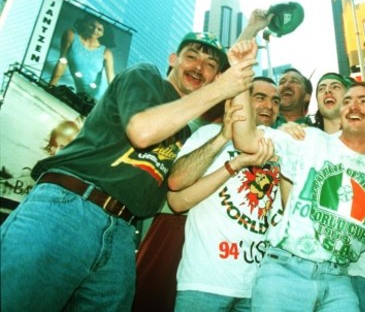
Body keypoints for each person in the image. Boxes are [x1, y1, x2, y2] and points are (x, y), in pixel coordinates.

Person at [0, 33, 257, 311]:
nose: (198, 67)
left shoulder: (183, 131)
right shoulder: (145, 76)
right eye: (191, 56)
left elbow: (177, 186)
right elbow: (142, 131)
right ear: (173, 59)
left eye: (210, 64)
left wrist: (222, 136)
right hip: (68, 208)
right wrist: (221, 90)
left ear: (216, 75)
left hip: (123, 232)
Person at [229, 40, 365, 311]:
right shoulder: (305, 139)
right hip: (286, 269)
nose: (353, 106)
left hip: (340, 278)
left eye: (361, 100)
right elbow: (246, 139)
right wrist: (240, 73)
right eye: (324, 89)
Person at [167, 76, 281, 311]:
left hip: (259, 290)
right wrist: (229, 151)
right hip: (205, 283)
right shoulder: (209, 134)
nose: (269, 106)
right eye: (260, 97)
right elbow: (176, 198)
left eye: (275, 101)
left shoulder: (282, 149)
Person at [49, 14, 115, 99]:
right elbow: (62, 63)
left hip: (98, 97)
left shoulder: (106, 53)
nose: (95, 30)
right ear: (85, 23)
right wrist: (51, 85)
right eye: (92, 25)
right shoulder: (70, 35)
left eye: (99, 29)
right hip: (77, 93)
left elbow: (111, 81)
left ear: (103, 33)